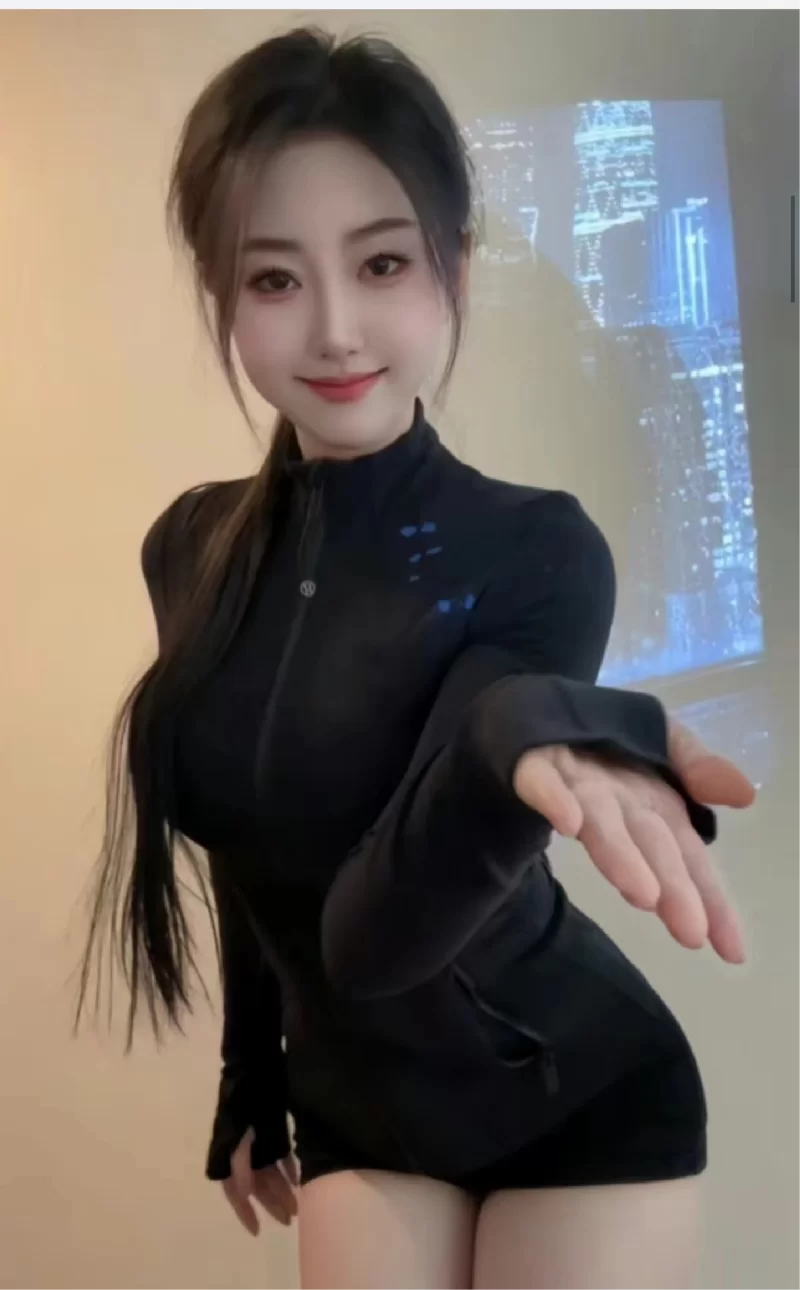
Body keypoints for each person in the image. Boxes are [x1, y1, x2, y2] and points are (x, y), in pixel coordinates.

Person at [76, 27, 756, 1290]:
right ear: (221, 294)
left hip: (572, 1100)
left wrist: (507, 732)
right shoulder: (189, 547)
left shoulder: (537, 548)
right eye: (273, 278)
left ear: (454, 264)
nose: (336, 331)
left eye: (381, 262)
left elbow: (381, 939)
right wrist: (248, 1072)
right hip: (356, 1111)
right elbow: (250, 837)